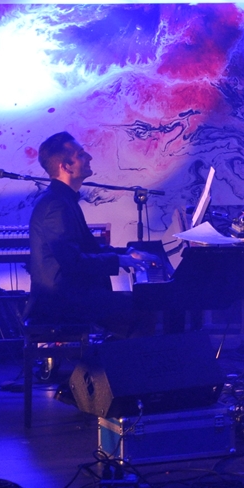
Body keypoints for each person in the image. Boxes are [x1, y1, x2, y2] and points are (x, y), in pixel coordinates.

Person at [27, 131, 154, 337]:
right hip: (61, 301)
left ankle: (119, 354)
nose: (89, 157)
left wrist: (127, 254)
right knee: (146, 307)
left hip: (71, 294)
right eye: (81, 154)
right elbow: (73, 262)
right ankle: (121, 357)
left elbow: (86, 248)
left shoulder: (63, 199)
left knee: (143, 304)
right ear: (66, 167)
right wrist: (121, 260)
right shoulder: (56, 205)